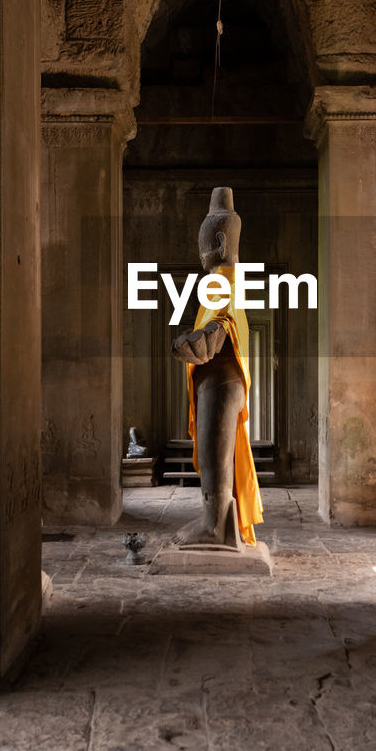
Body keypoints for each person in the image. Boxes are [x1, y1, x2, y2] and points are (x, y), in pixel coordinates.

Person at [171, 187, 263, 548]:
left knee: (215, 459)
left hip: (221, 380)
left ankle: (215, 527)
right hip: (223, 379)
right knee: (218, 460)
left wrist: (204, 338)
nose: (199, 251)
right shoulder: (227, 281)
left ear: (221, 242)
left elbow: (223, 322)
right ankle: (217, 524)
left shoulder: (222, 279)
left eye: (203, 242)